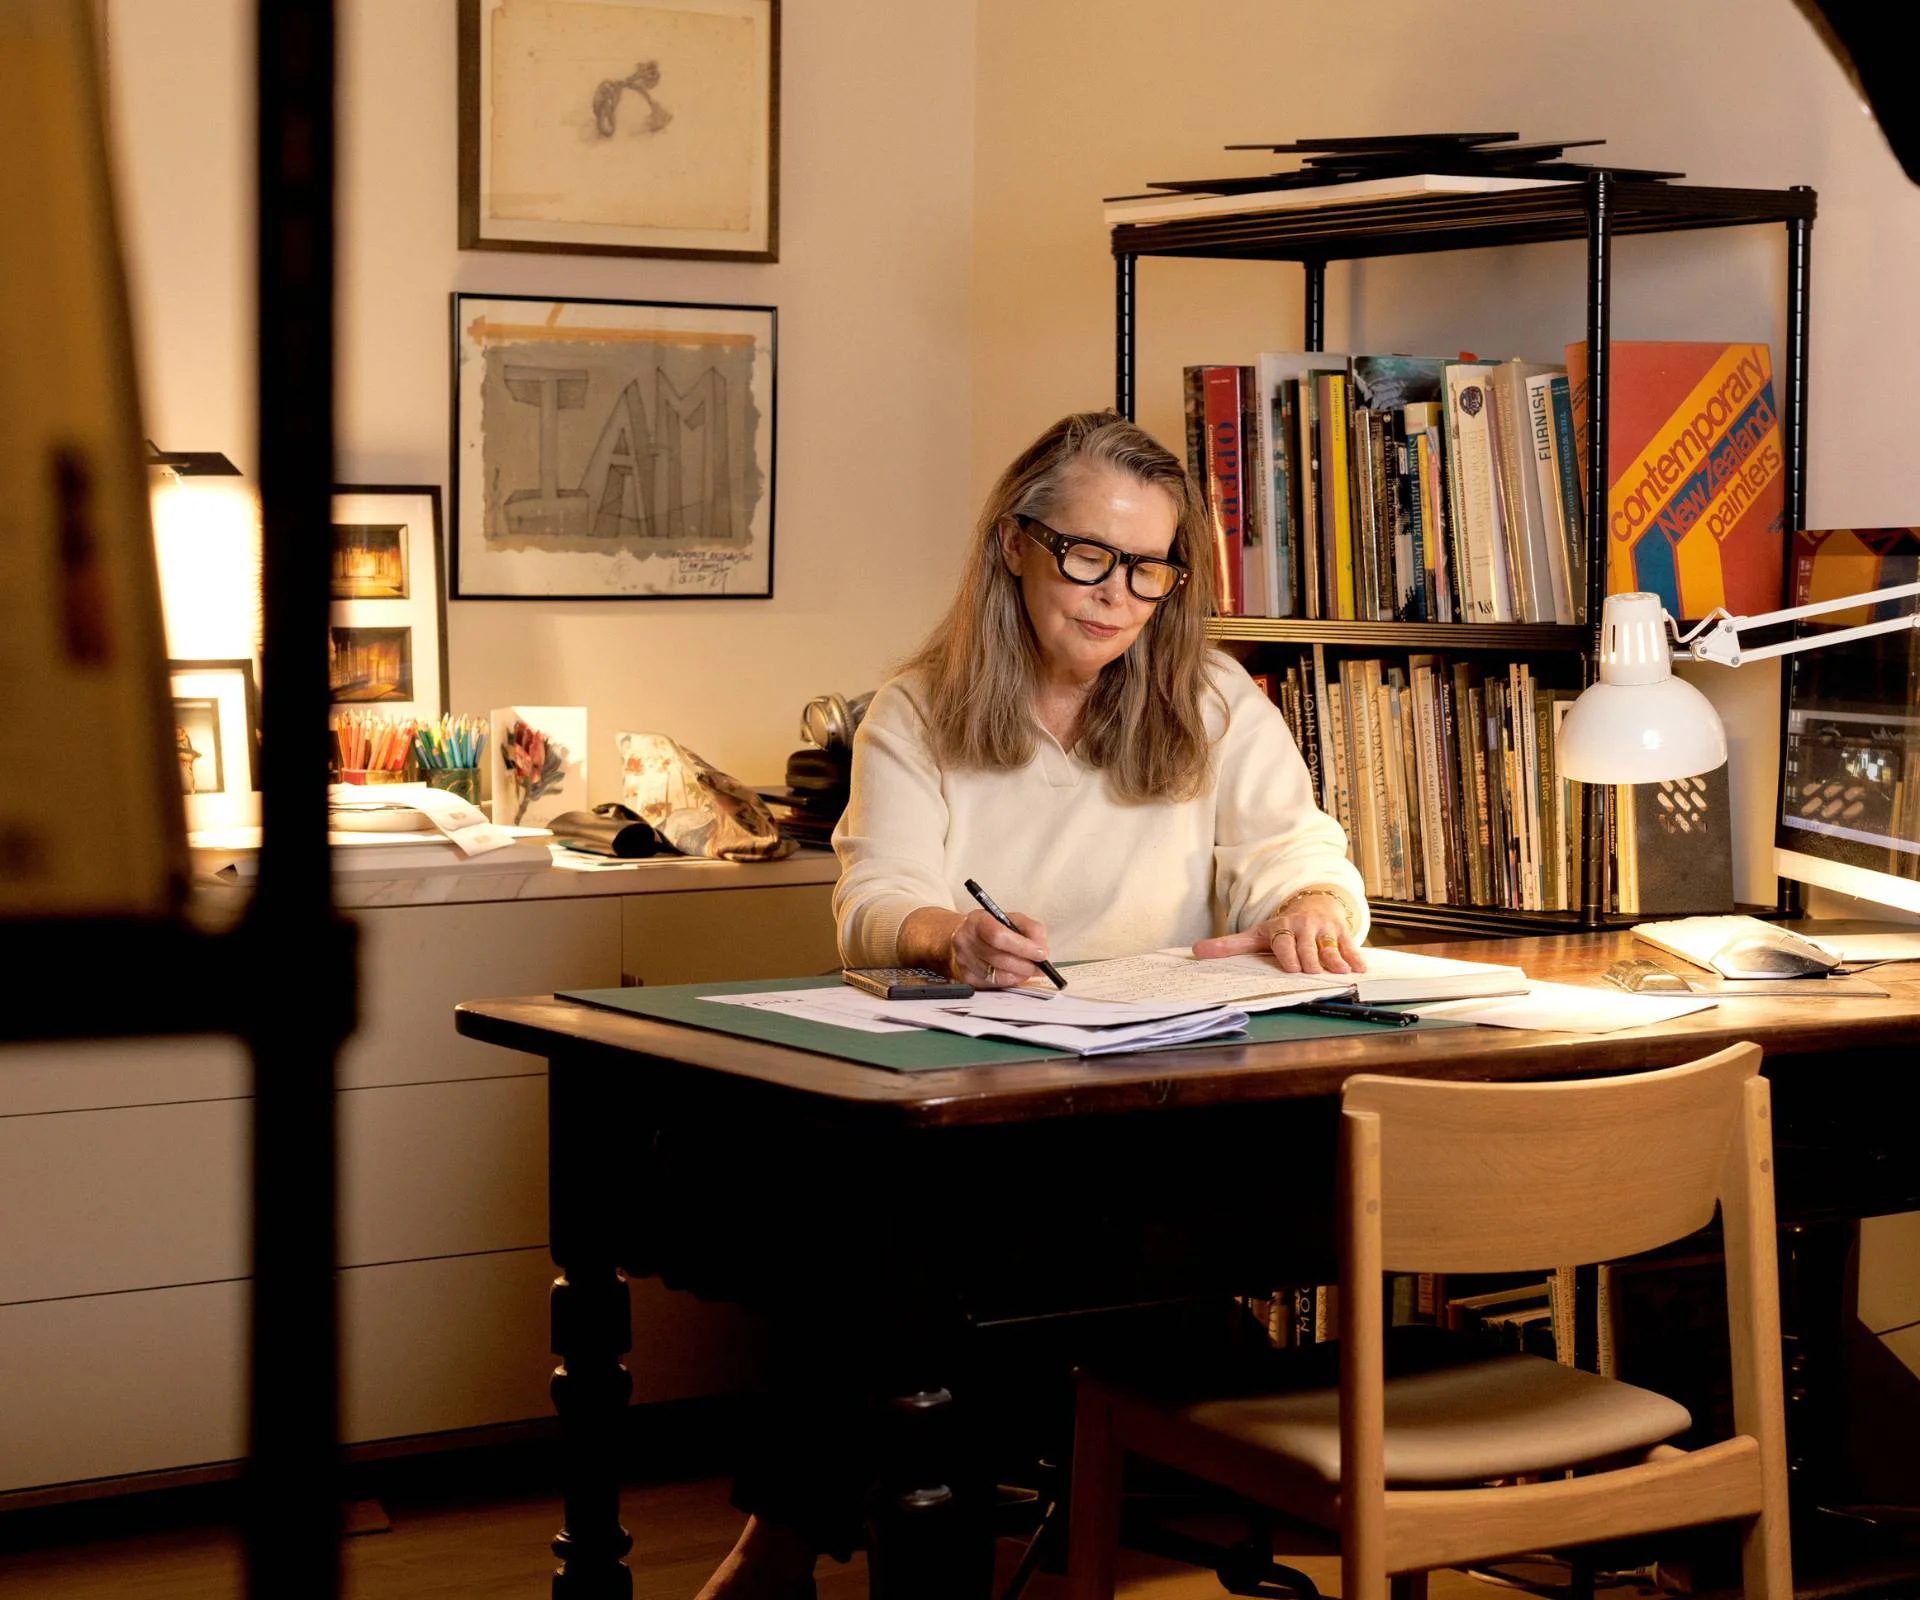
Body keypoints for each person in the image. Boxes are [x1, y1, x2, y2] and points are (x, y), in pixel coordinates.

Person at [696, 409, 1367, 1599]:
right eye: (1089, 556)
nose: (1119, 595)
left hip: (1161, 1108)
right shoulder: (919, 709)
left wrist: (1314, 901)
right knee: (900, 1259)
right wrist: (950, 935)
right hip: (987, 1105)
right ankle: (819, 1535)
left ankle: (794, 1541)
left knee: (938, 1299)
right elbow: (871, 901)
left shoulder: (1210, 698)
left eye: (1151, 568)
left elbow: (1298, 847)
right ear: (1015, 544)